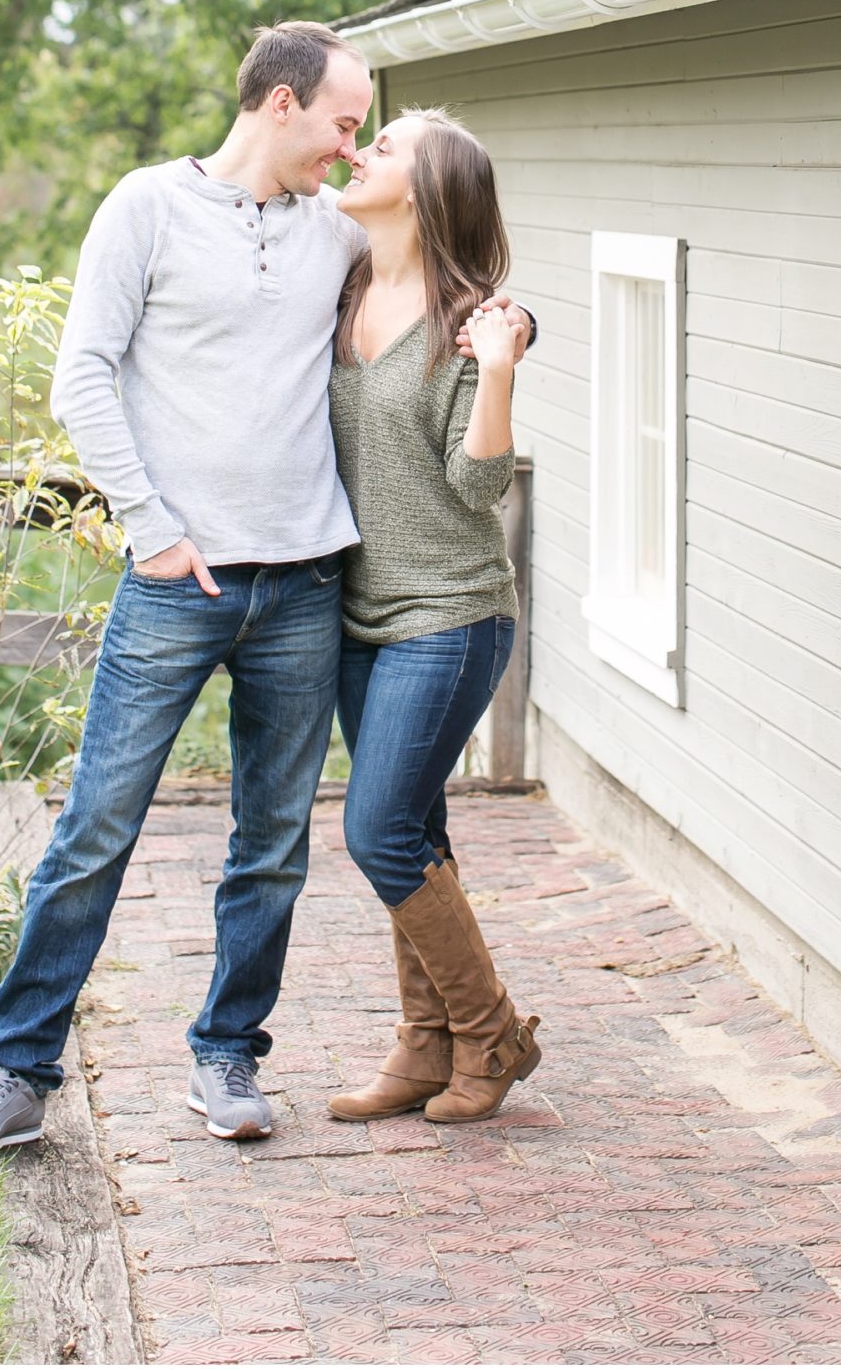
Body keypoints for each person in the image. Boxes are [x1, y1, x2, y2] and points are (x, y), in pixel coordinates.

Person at [0, 25, 530, 1158]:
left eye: (367, 136)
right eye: (345, 125)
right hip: (175, 582)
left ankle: (228, 1056)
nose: (351, 152)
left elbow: (444, 282)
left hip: (307, 586)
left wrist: (509, 330)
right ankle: (14, 1072)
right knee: (95, 829)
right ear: (284, 102)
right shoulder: (146, 207)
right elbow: (81, 375)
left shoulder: (330, 239)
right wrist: (151, 529)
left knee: (270, 844)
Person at [324, 106, 541, 1125]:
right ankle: (424, 1047)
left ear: (422, 189)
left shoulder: (468, 325)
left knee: (377, 832)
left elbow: (473, 484)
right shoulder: (339, 287)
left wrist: (497, 366)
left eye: (387, 146)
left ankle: (489, 1029)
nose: (363, 150)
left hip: (449, 614)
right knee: (414, 826)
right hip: (357, 617)